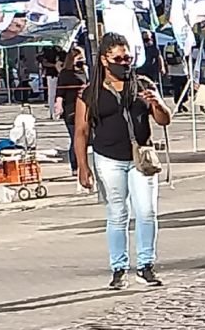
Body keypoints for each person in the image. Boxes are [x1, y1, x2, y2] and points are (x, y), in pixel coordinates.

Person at [75, 33, 172, 290]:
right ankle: (118, 268)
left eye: (128, 57)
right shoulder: (90, 92)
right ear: (105, 60)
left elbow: (164, 120)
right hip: (108, 157)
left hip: (142, 158)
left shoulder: (142, 84)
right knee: (117, 213)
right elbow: (81, 131)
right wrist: (83, 167)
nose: (125, 62)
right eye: (118, 58)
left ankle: (145, 265)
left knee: (147, 211)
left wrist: (157, 103)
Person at [56, 47, 88, 179]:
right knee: (75, 136)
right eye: (78, 58)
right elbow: (60, 92)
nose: (81, 60)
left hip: (85, 107)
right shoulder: (65, 73)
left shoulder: (84, 71)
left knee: (86, 136)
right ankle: (75, 166)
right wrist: (58, 105)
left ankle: (84, 163)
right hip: (71, 109)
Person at [38, 47, 61, 118]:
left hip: (61, 75)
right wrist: (54, 65)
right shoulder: (48, 51)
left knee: (59, 94)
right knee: (52, 94)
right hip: (52, 75)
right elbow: (44, 63)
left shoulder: (62, 51)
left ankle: (58, 112)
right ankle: (52, 112)